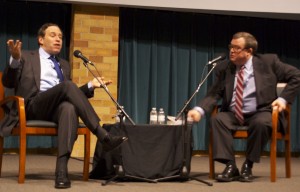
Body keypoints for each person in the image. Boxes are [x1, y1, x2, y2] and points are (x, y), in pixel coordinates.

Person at [0, 23, 127, 189]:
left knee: (69, 108)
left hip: (55, 109)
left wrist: (89, 86)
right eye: (53, 35)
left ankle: (61, 171)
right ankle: (103, 135)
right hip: (30, 106)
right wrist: (15, 61)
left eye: (60, 36)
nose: (58, 39)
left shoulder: (64, 64)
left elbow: (68, 93)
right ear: (40, 39)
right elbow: (7, 82)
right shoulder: (25, 56)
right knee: (67, 86)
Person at [188, 32, 300, 182]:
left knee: (261, 122)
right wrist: (199, 110)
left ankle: (249, 164)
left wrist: (283, 99)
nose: (232, 51)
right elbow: (214, 93)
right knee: (218, 119)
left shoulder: (268, 62)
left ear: (249, 51)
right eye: (230, 47)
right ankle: (230, 166)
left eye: (237, 48)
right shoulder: (224, 68)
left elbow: (296, 76)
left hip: (261, 111)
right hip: (233, 114)